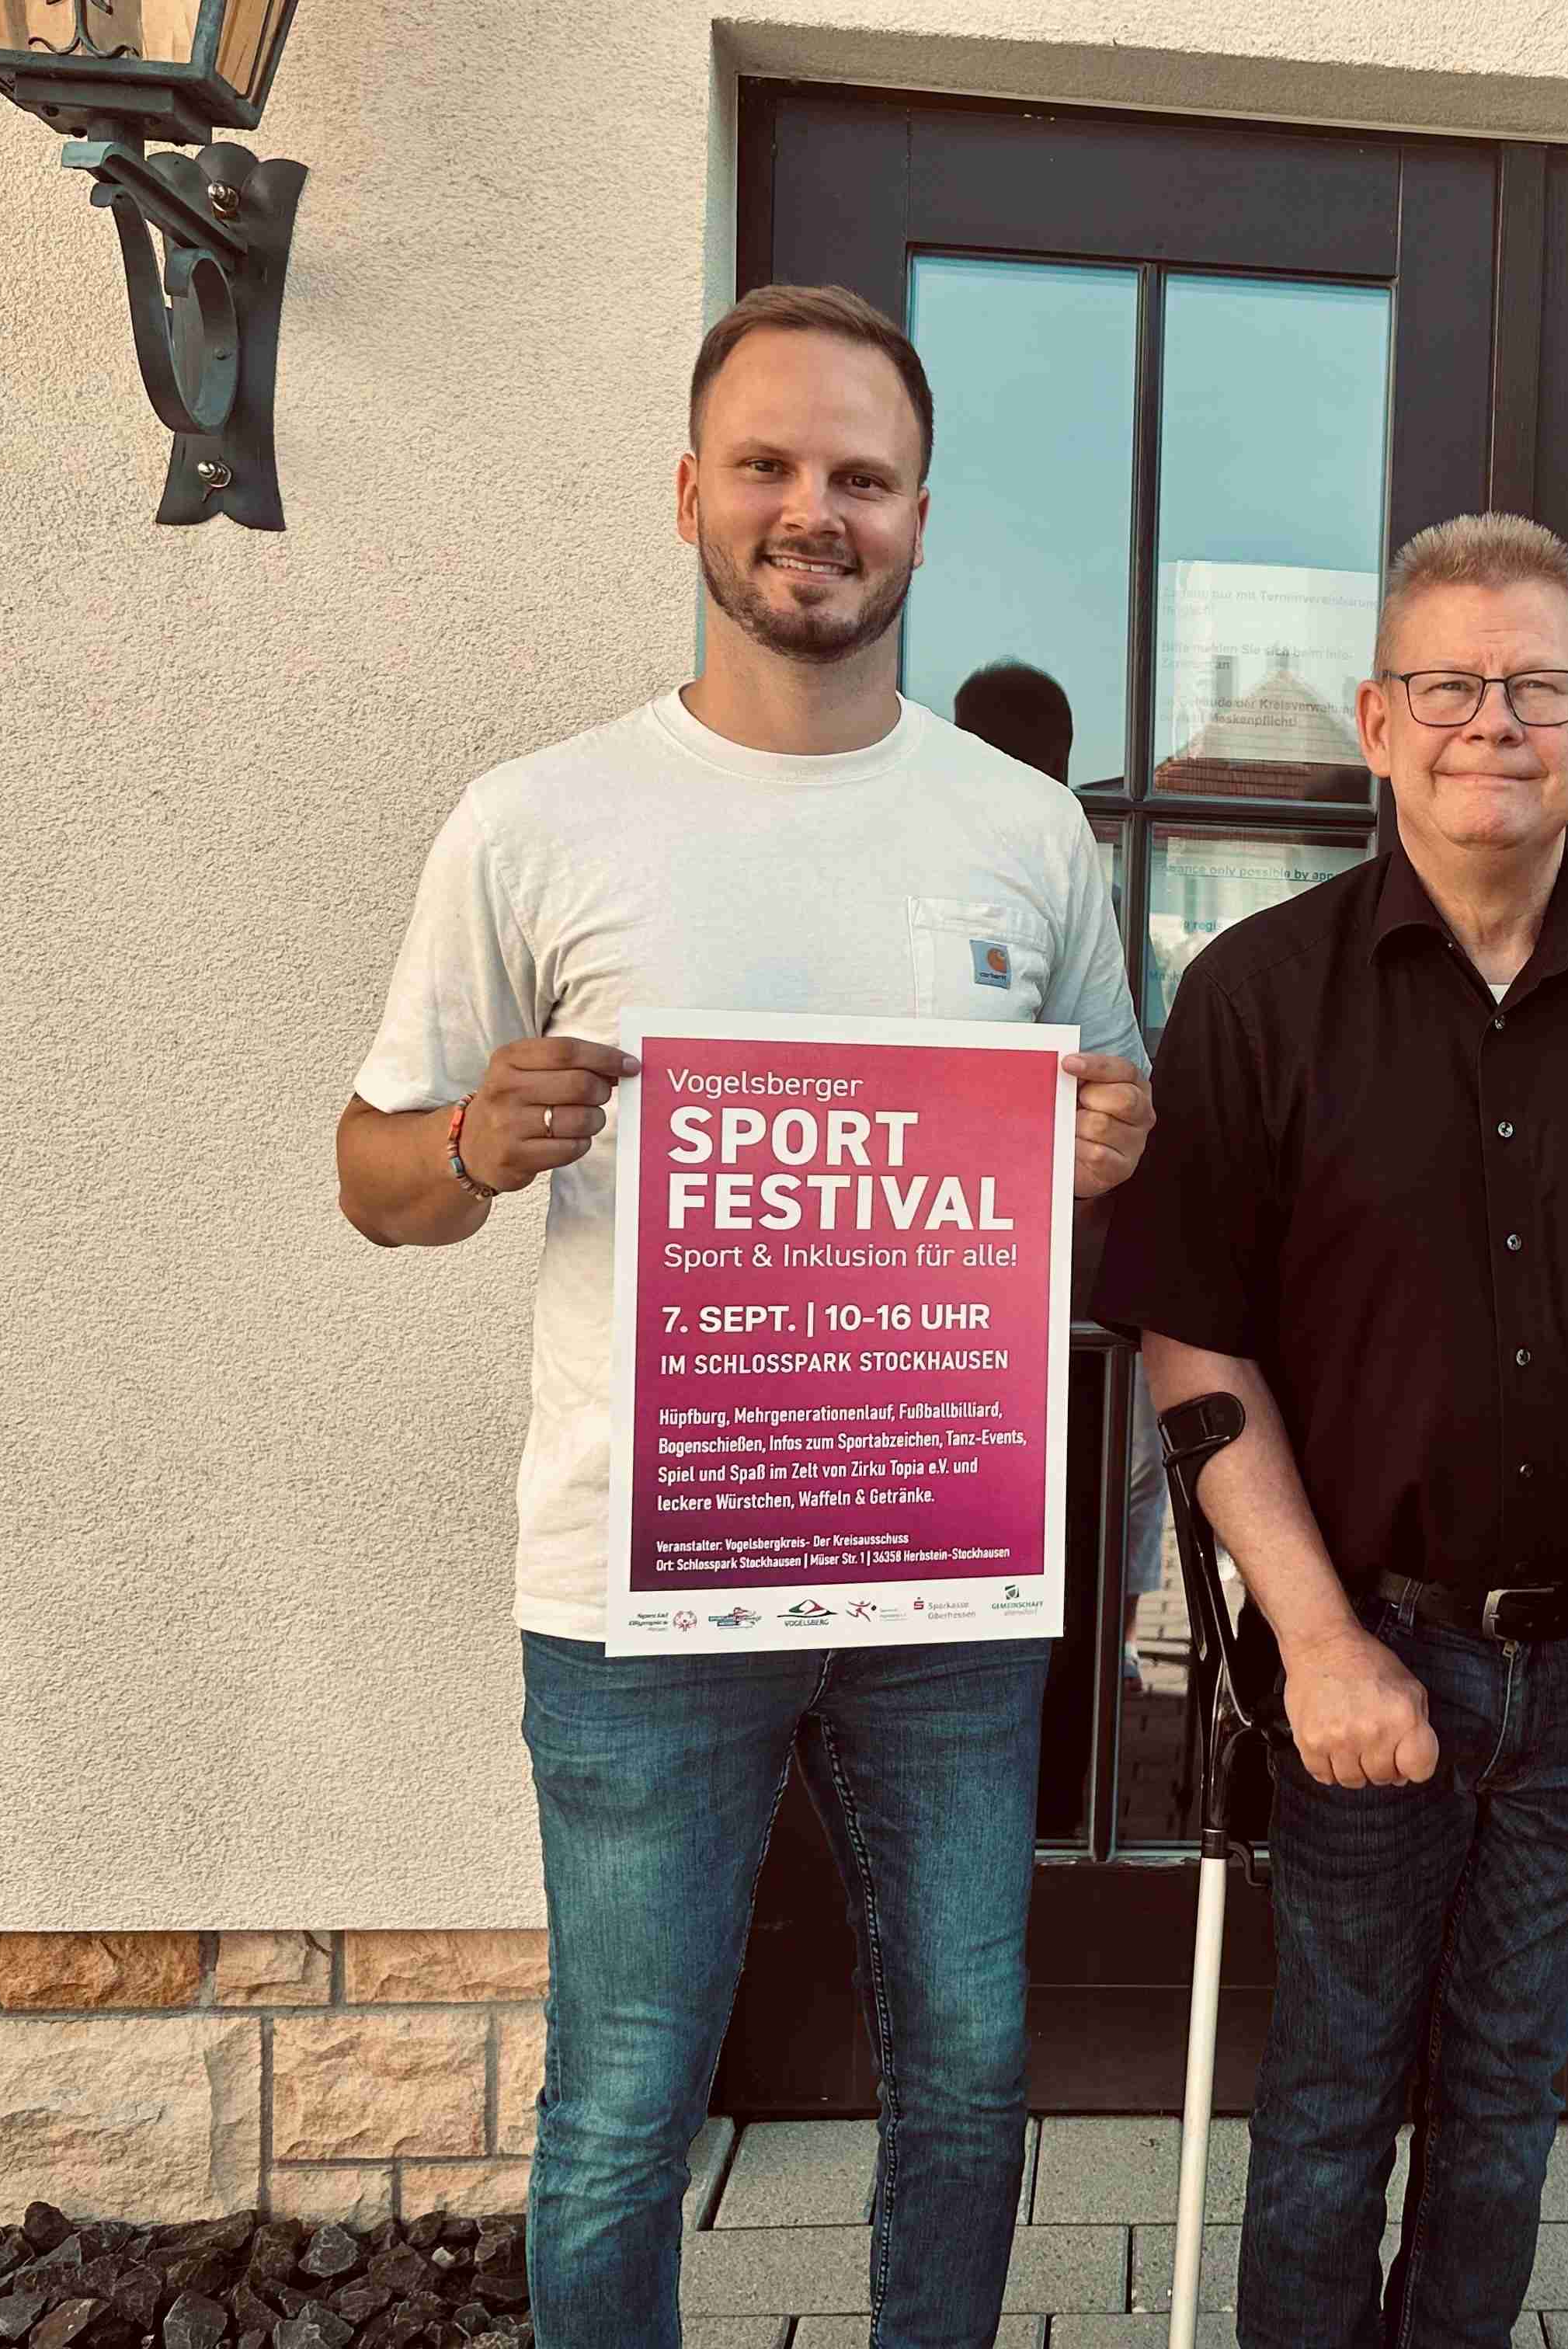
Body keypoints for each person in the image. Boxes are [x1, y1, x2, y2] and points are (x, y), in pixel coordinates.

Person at [336, 284, 1153, 2349]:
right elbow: (372, 1175)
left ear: (919, 516)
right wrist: (473, 1143)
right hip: (631, 1582)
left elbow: (1098, 1132)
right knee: (622, 2106)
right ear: (691, 493)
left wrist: (1106, 1154)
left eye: (861, 476)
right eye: (773, 465)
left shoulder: (1023, 833)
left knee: (967, 2076)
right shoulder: (539, 819)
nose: (816, 509)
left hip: (939, 1570)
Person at [1096, 513, 1568, 2349]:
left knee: (1504, 2111)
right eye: (1448, 684)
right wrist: (1324, 1645)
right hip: (1377, 1661)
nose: (1487, 720)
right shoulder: (1259, 996)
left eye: (1530, 686)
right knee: (1335, 2107)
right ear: (1375, 718)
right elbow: (1192, 1343)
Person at [947, 656, 1171, 1692]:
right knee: (1107, 1478)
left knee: (1107, 1474)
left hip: (1057, 1264)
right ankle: (1104, 1655)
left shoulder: (1090, 897)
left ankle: (1101, 1657)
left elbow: (1134, 1083)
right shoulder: (1097, 892)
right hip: (1051, 1269)